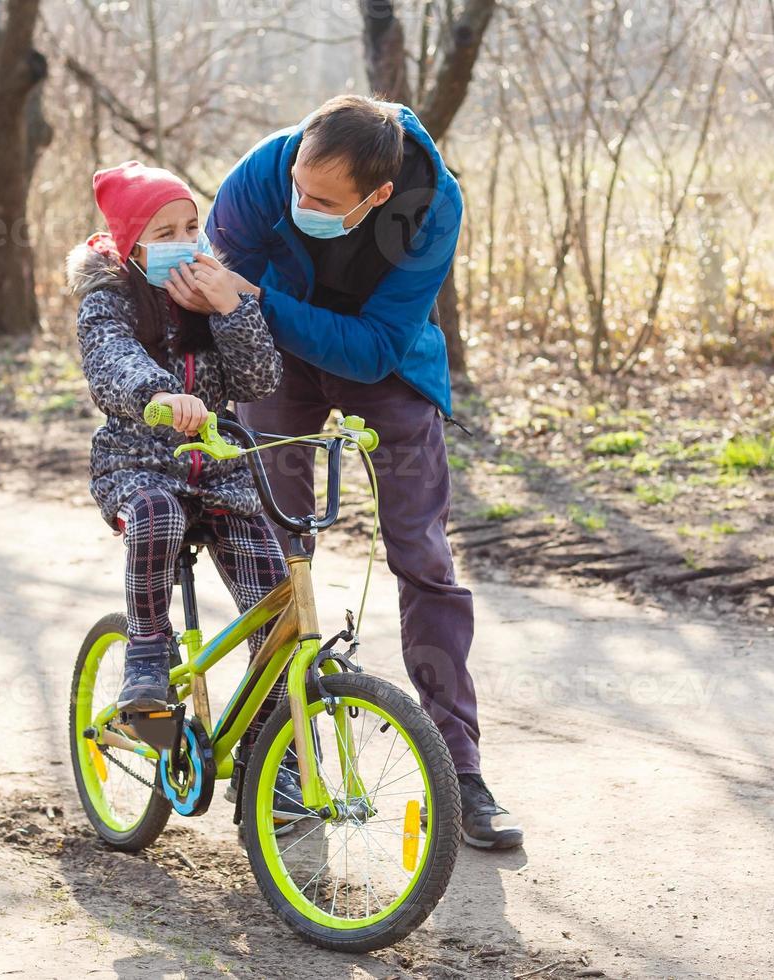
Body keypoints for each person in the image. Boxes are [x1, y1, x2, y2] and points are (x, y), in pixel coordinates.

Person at [177, 94, 523, 850]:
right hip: (276, 368)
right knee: (273, 559)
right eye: (299, 183)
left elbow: (371, 348)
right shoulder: (259, 178)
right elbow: (229, 317)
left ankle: (459, 772)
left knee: (423, 558)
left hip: (385, 369)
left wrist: (259, 301)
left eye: (324, 200)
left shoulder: (434, 210)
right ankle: (285, 755)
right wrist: (243, 314)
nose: (300, 202)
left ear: (377, 197)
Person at [68, 161, 313, 831]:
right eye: (164, 232)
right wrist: (157, 394)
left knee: (273, 594)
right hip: (141, 463)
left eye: (191, 226)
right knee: (156, 514)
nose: (185, 241)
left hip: (221, 470)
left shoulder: (215, 288)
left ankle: (276, 756)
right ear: (131, 246)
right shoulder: (110, 297)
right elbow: (110, 360)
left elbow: (260, 380)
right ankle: (147, 651)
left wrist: (231, 310)